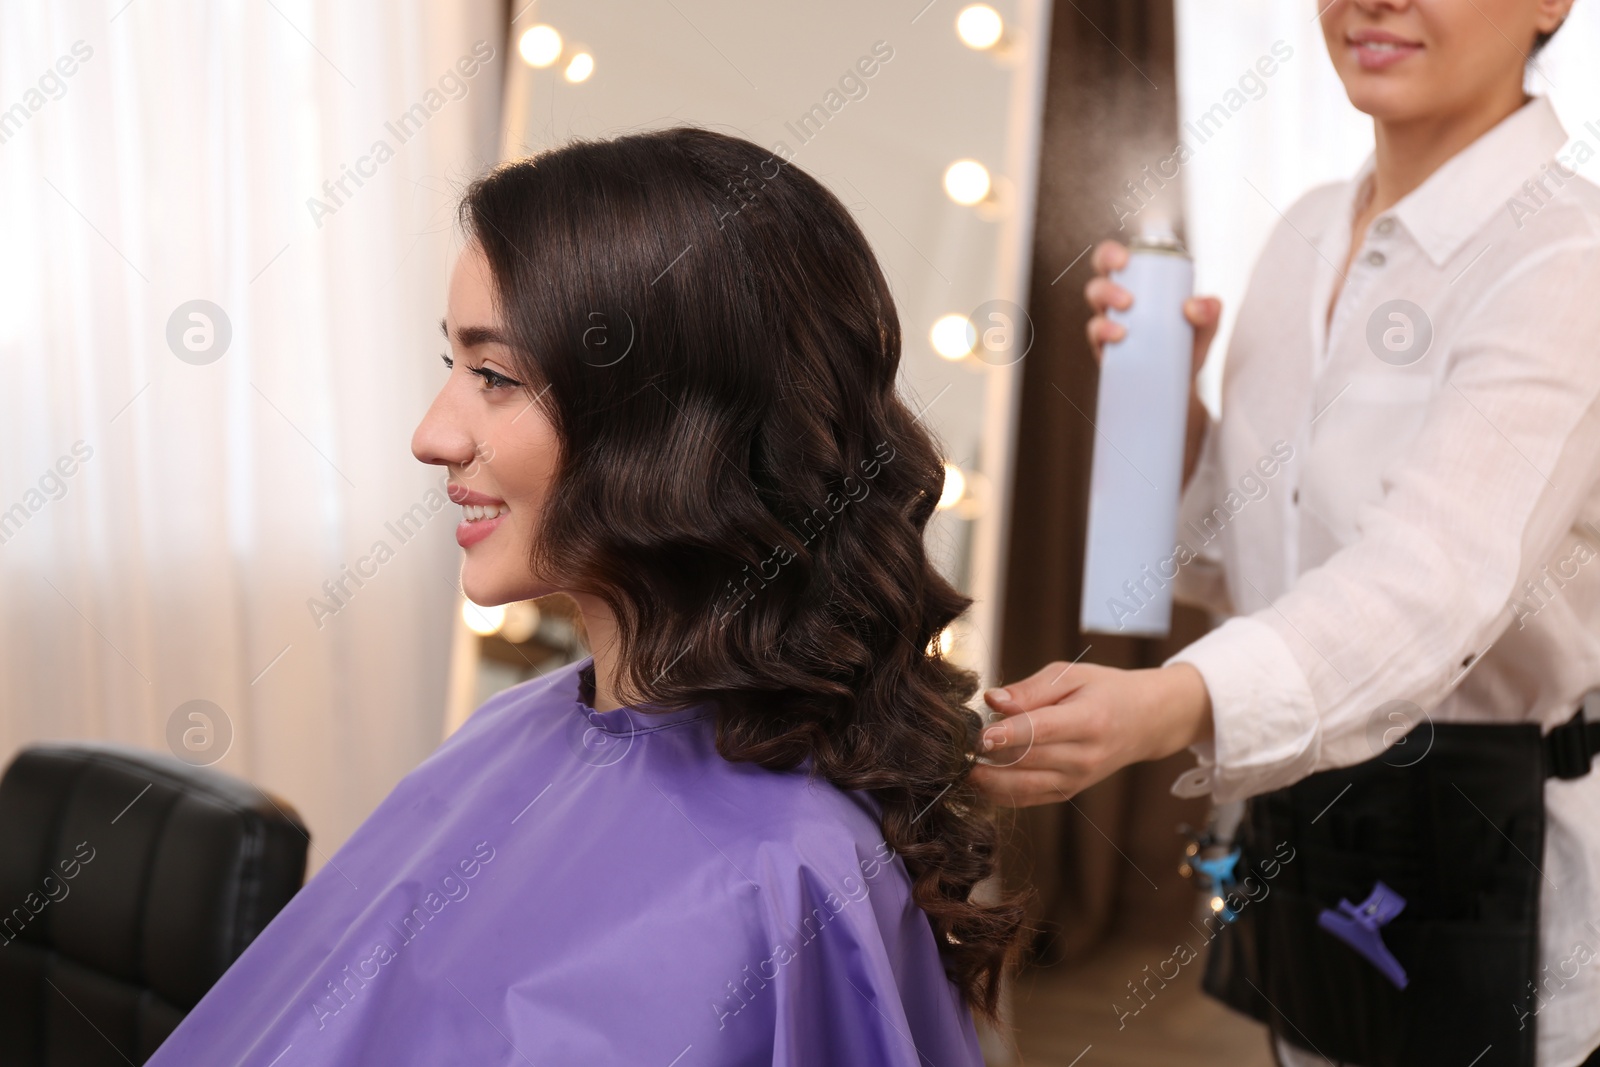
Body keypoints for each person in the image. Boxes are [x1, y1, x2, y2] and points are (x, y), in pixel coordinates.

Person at [147, 128, 1024, 1066]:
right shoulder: (508, 735)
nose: (432, 434)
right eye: (450, 364)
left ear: (668, 421)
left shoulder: (792, 875)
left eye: (494, 375)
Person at [974, 1, 1600, 1065]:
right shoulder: (1304, 233)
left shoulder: (1568, 259)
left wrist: (1173, 702)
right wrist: (1167, 415)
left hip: (1494, 859)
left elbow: (1428, 582)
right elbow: (1251, 558)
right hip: (1311, 838)